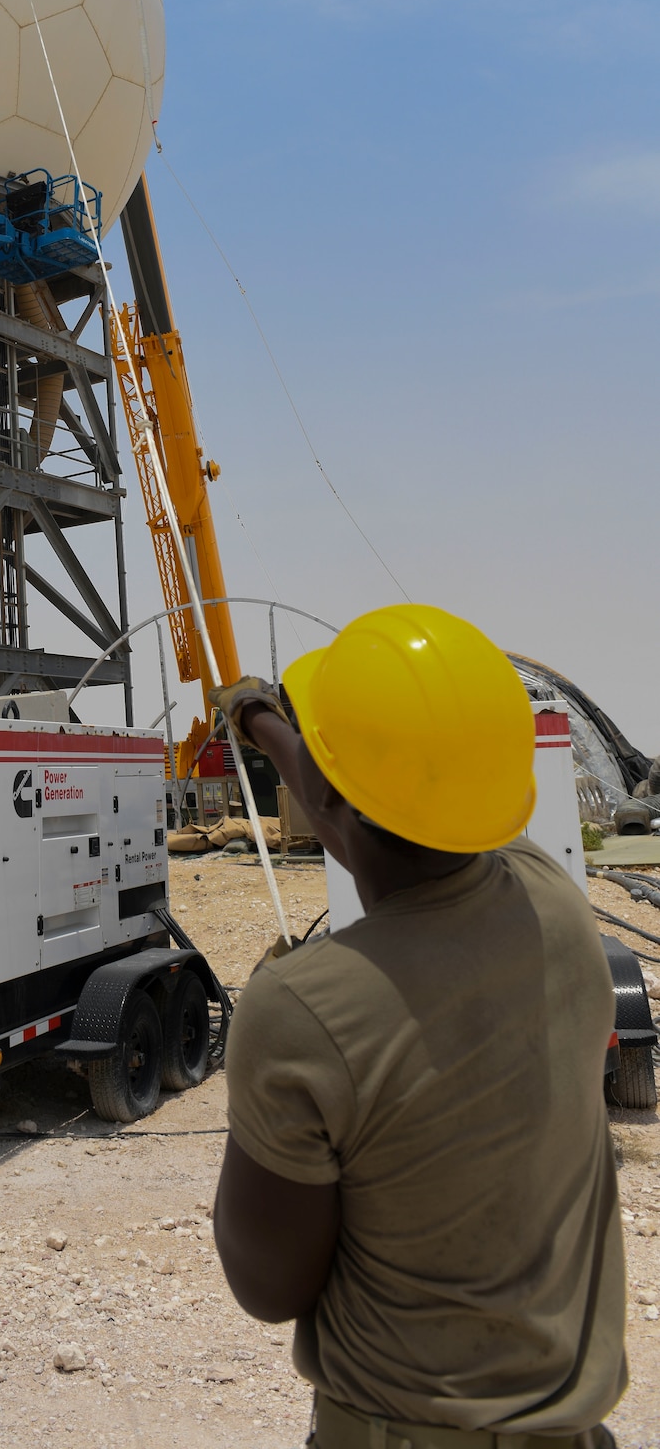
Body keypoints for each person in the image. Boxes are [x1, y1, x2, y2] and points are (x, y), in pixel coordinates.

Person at [212, 603, 626, 1449]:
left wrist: (265, 726)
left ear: (323, 796)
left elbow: (267, 1287)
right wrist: (264, 726)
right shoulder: (552, 902)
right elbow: (381, 797)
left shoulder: (303, 1009)